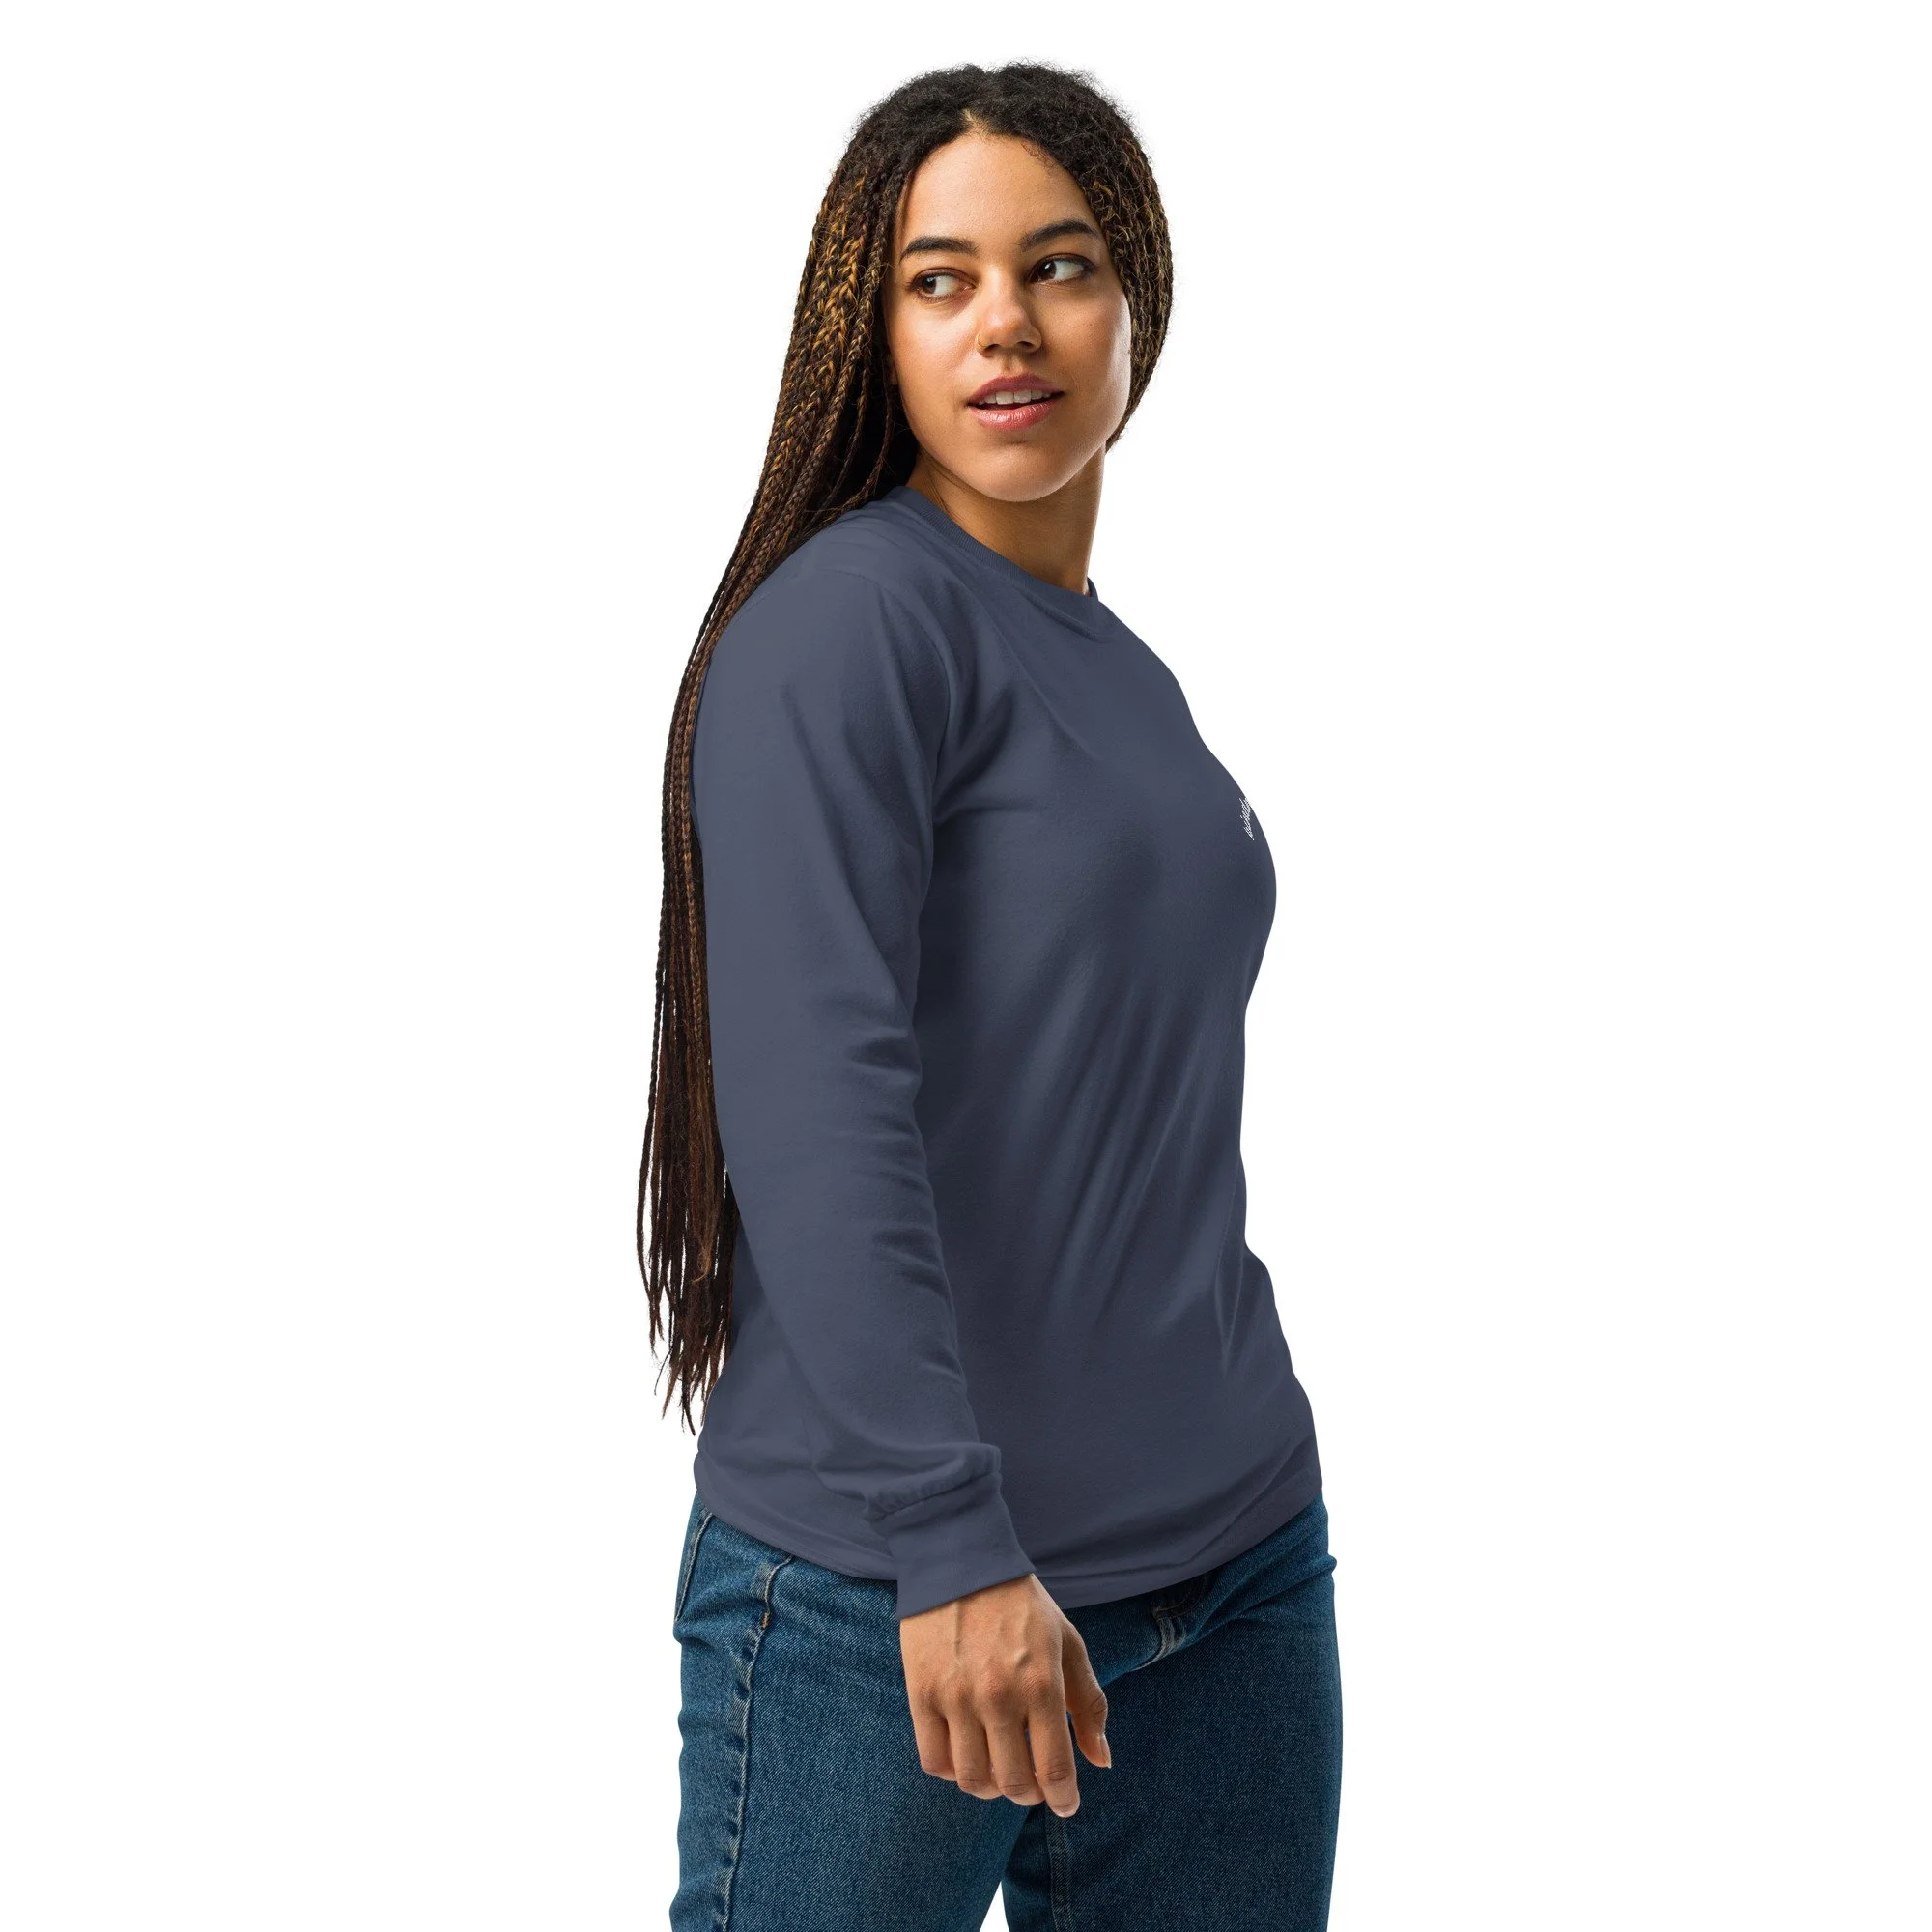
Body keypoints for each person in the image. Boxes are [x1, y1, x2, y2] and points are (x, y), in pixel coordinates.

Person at [638, 60, 1343, 1932]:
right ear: (868, 332)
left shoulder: (1120, 668)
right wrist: (950, 1542)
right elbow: (816, 1108)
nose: (1006, 322)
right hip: (901, 1602)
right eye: (938, 279)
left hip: (1230, 1574)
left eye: (1061, 265)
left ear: (1138, 304)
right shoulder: (847, 627)